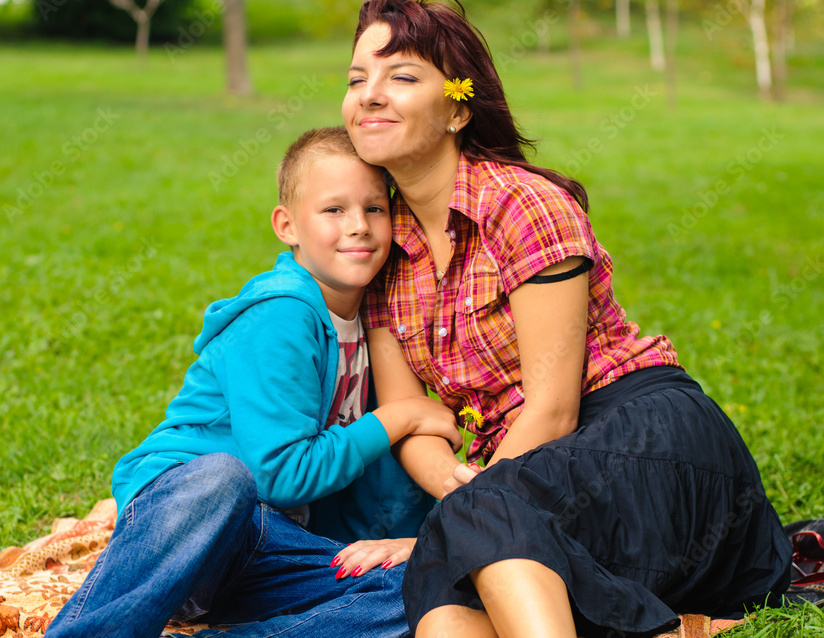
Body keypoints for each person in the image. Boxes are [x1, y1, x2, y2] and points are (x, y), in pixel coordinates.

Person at [331, 1, 793, 637]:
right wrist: (462, 506)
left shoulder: (520, 204)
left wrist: (470, 512)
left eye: (402, 77)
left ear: (458, 110)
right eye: (357, 79)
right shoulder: (383, 248)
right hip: (529, 482)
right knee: (441, 611)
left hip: (640, 439)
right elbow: (410, 417)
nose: (370, 95)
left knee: (468, 529)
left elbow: (552, 410)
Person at [44, 127, 460, 638]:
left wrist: (413, 543)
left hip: (270, 548)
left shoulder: (375, 320)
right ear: (287, 225)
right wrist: (397, 417)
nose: (359, 226)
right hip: (188, 528)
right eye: (333, 210)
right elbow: (282, 473)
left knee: (418, 587)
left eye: (374, 208)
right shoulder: (281, 313)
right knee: (222, 477)